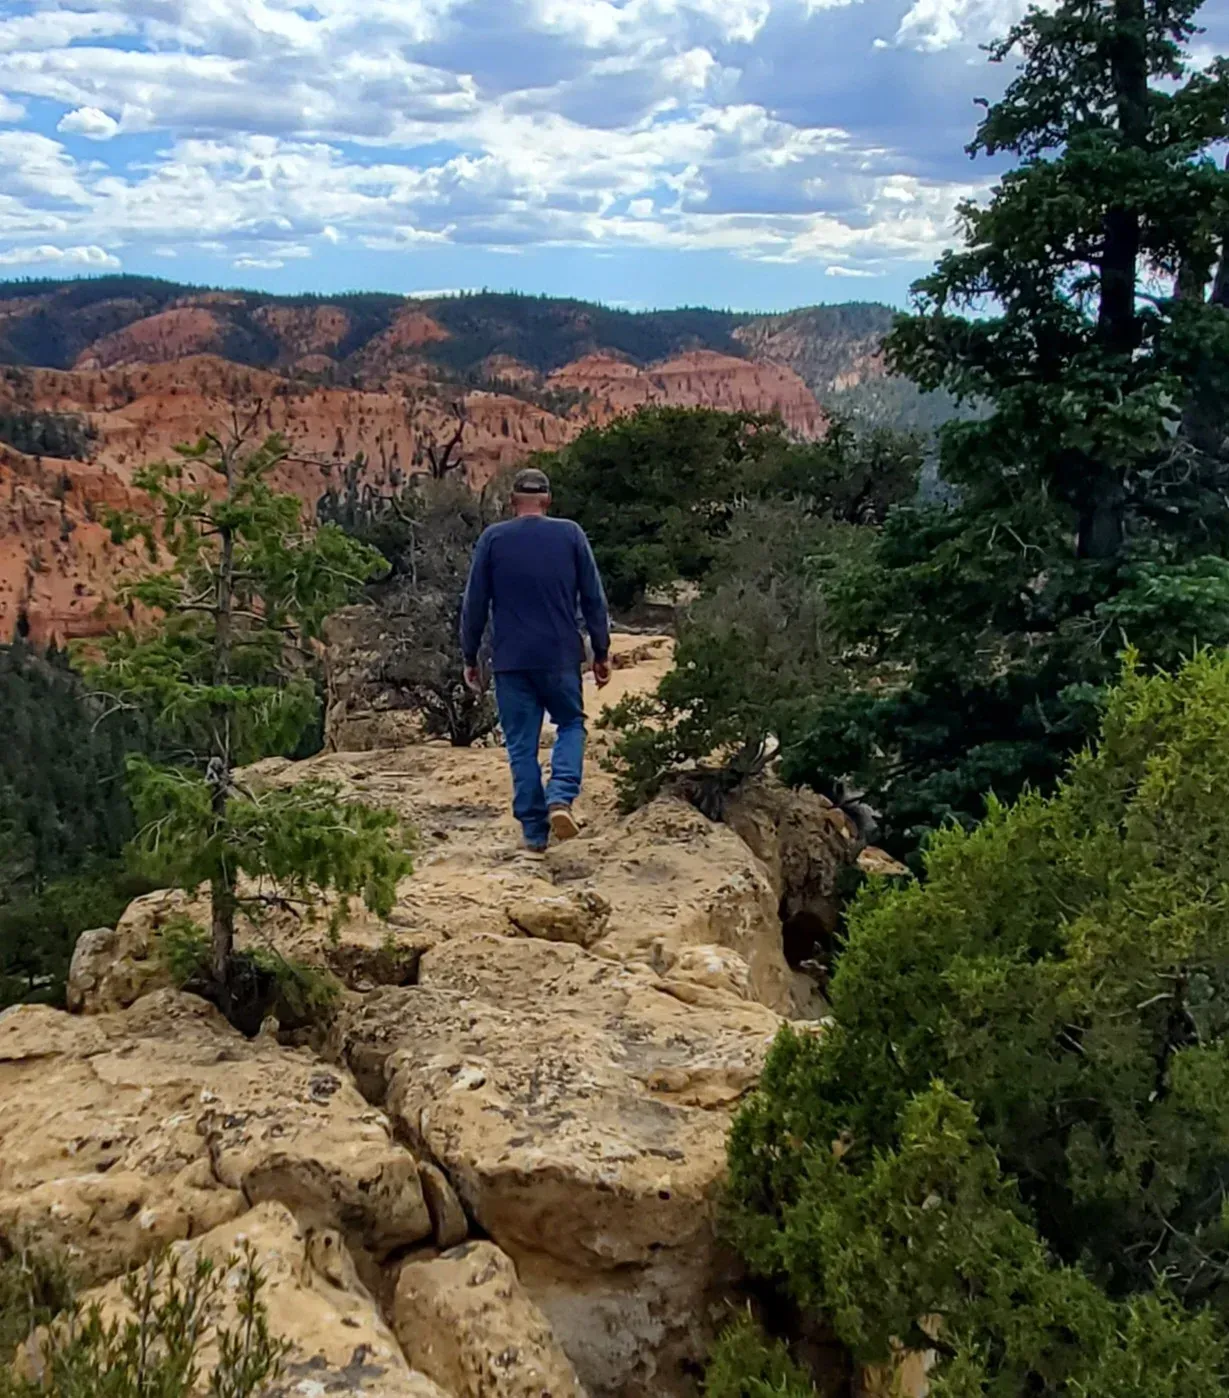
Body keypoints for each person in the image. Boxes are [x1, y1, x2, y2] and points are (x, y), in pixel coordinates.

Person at [460, 466, 611, 853]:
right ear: (547, 500)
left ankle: (533, 831)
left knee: (521, 744)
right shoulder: (570, 534)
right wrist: (601, 650)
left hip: (511, 659)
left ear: (512, 501)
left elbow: (474, 603)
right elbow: (593, 597)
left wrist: (470, 654)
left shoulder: (493, 539)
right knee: (571, 724)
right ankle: (560, 796)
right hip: (560, 654)